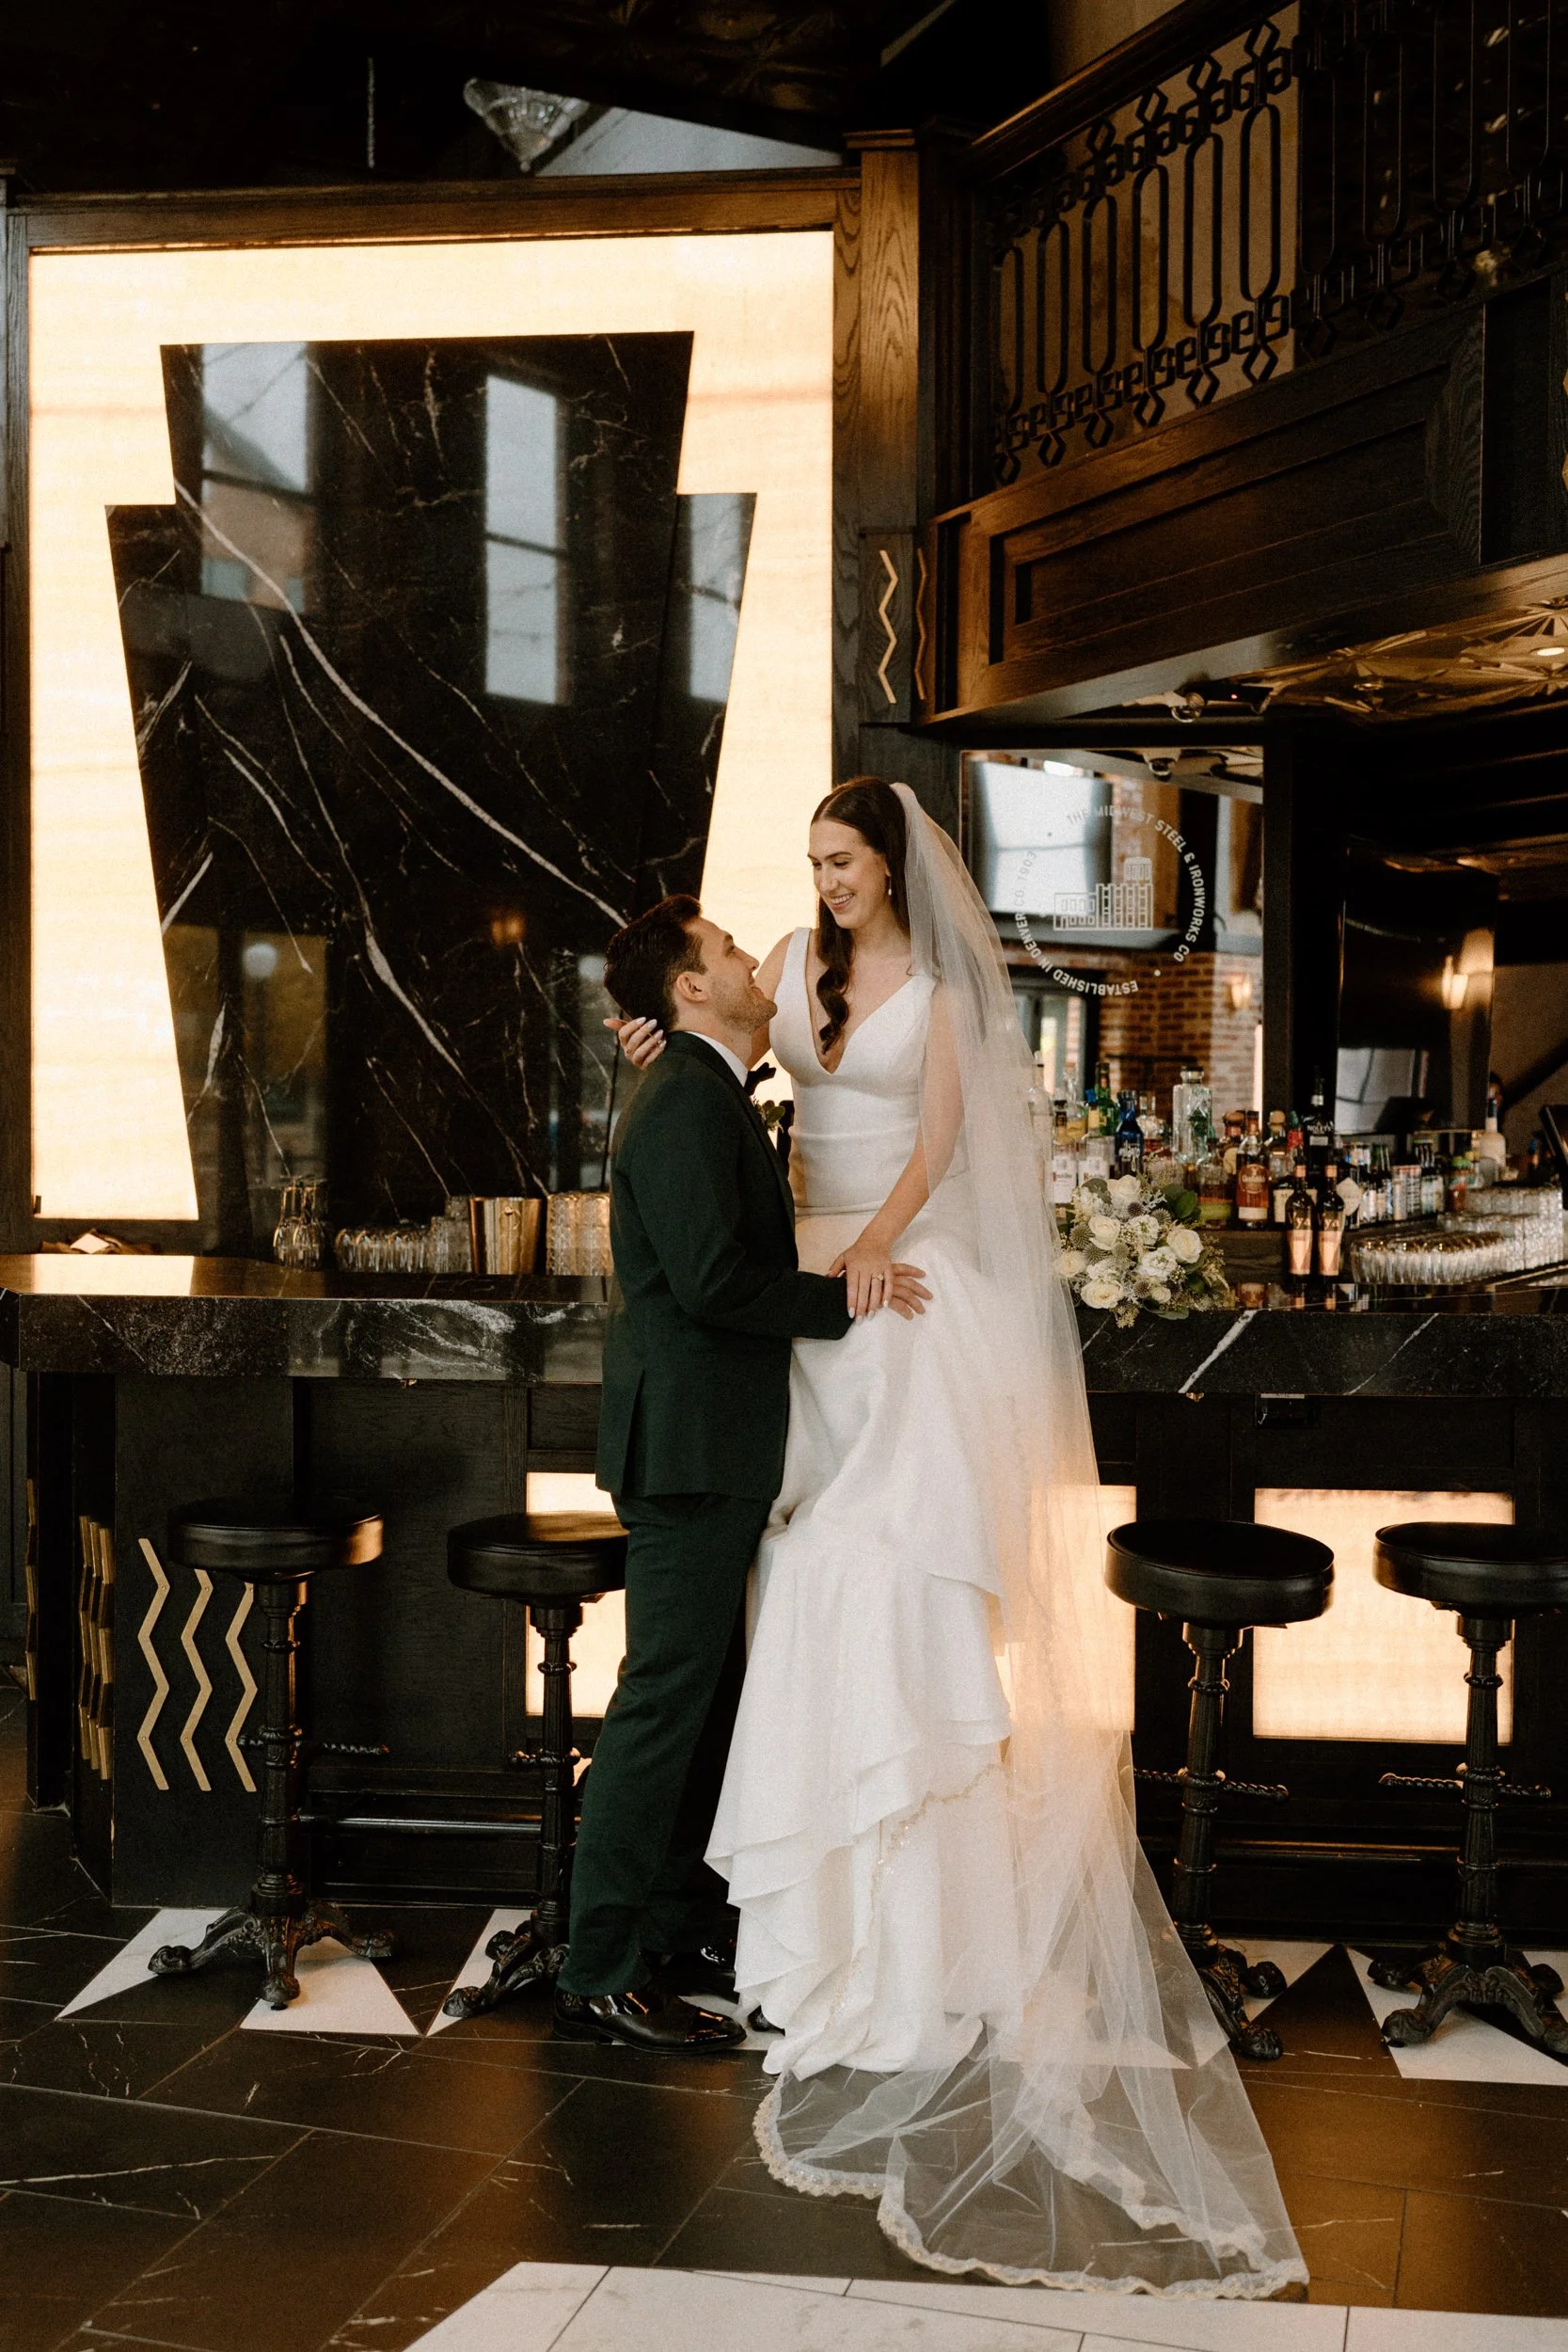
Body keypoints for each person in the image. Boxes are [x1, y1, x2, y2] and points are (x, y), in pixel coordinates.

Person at [607, 781, 1307, 2295]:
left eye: (842, 862)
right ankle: (792, 1915)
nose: (822, 887)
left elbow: (933, 1147)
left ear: (896, 865)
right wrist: (656, 1050)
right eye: (809, 865)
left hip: (887, 1274)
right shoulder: (781, 964)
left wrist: (867, 1258)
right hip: (791, 1293)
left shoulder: (943, 992)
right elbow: (723, 1060)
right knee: (784, 1583)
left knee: (885, 1577)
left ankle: (903, 1918)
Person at [553, 896, 930, 2054]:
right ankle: (599, 1967)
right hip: (686, 1449)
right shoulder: (681, 1101)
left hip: (709, 1442)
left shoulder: (701, 1087)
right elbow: (713, 1282)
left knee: (703, 1698)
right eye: (723, 951)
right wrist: (848, 1296)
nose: (747, 958)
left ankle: (670, 1926)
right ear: (690, 988)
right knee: (660, 1704)